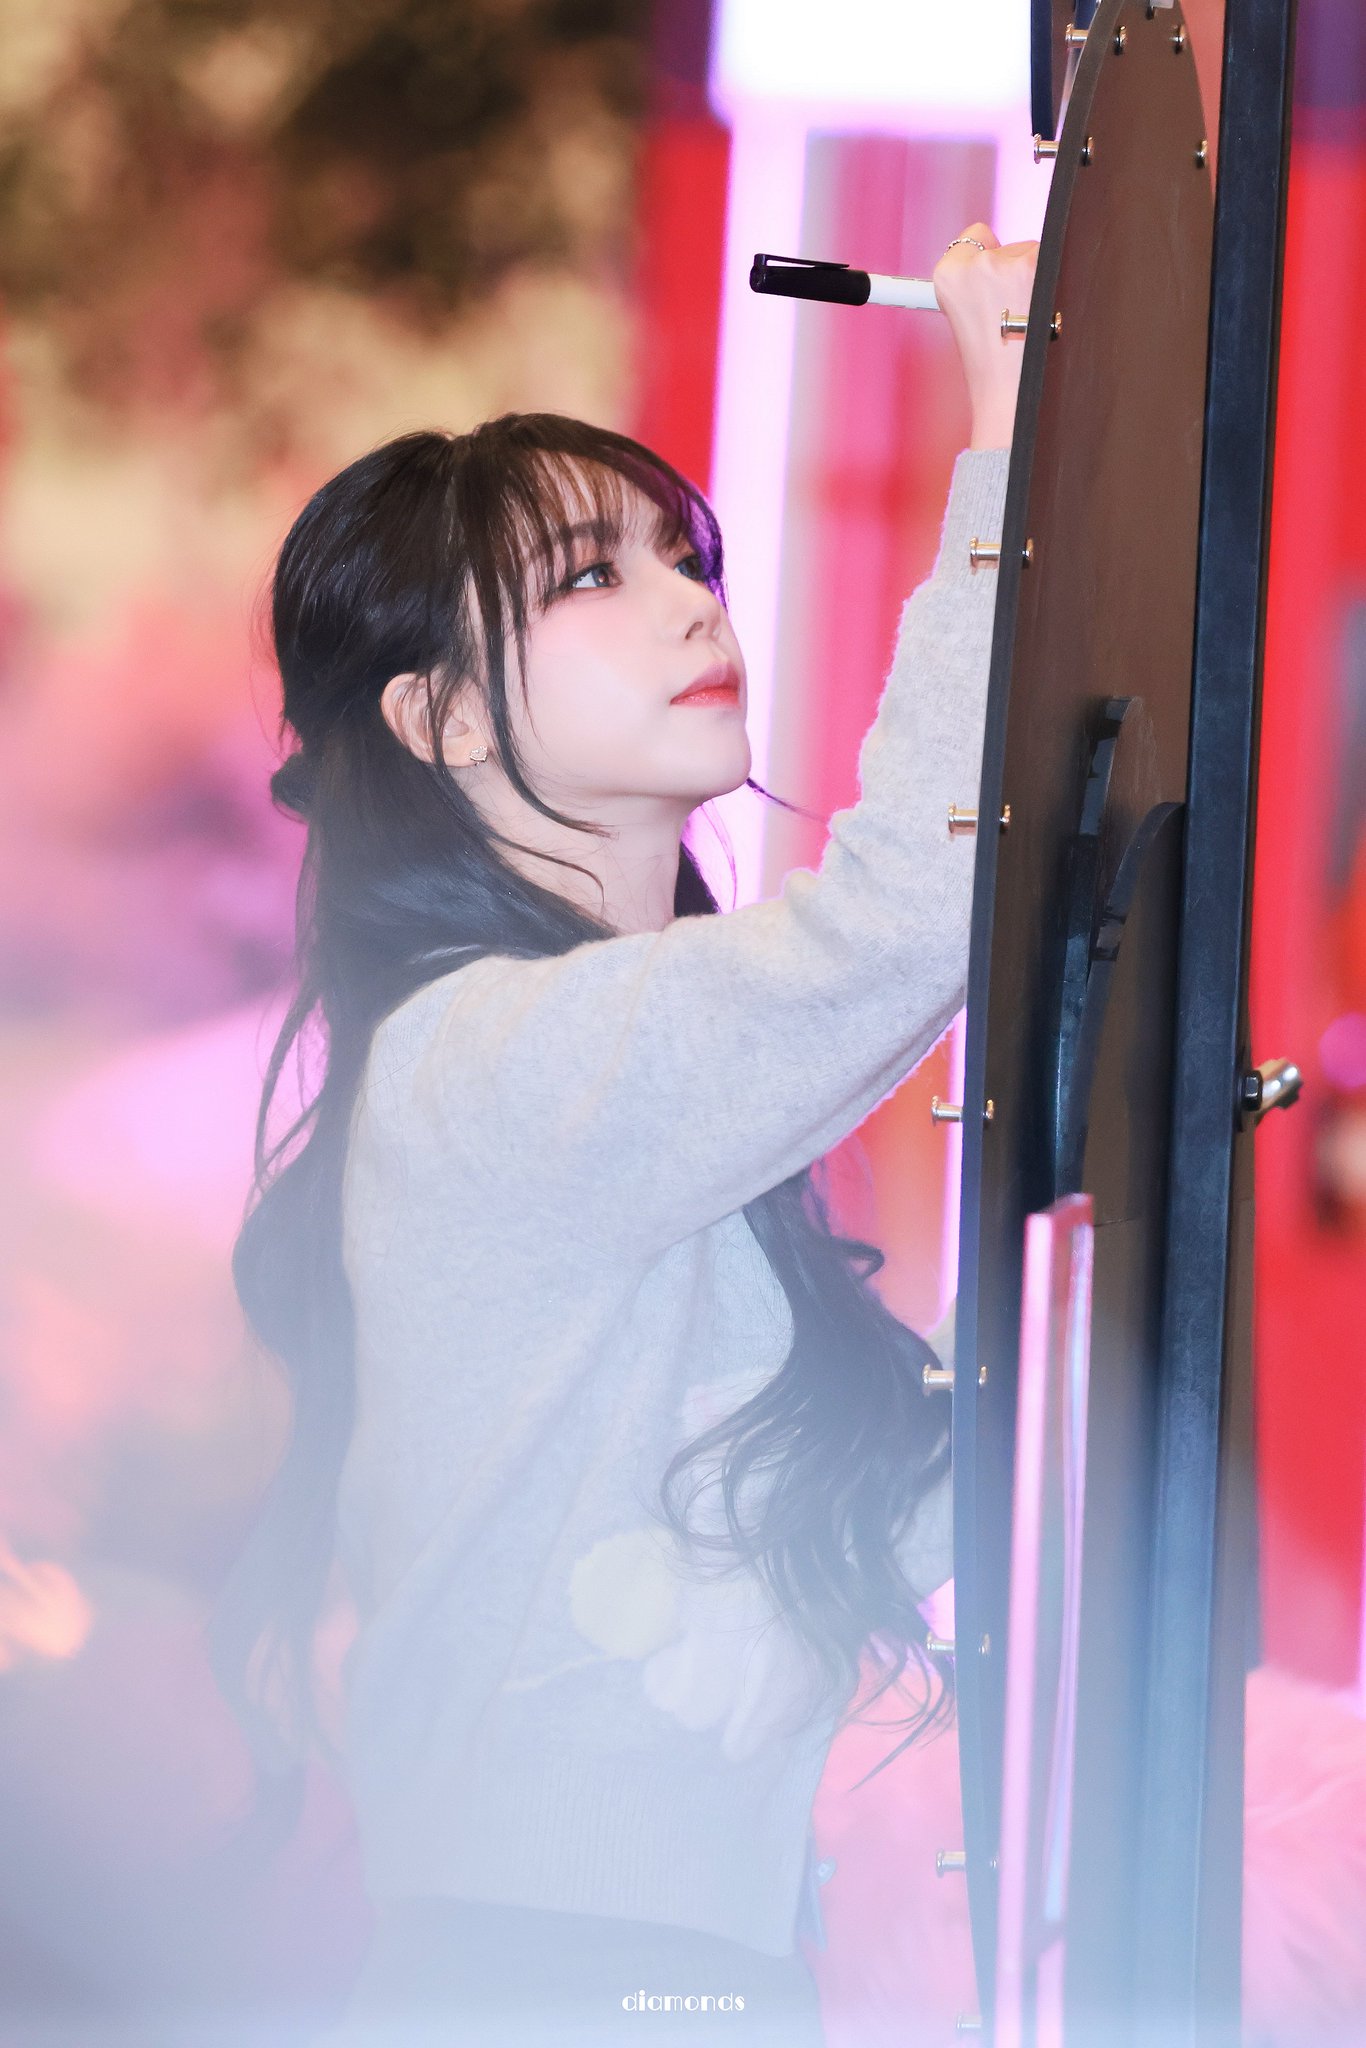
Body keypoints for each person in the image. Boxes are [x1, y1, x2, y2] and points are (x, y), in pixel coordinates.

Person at [215, 222, 1037, 2044]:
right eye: (592, 574)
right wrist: (1013, 449)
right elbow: (907, 919)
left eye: (685, 558)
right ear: (435, 717)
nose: (689, 604)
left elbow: (845, 1521)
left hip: (661, 1976)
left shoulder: (613, 1086)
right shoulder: (488, 1068)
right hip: (558, 1979)